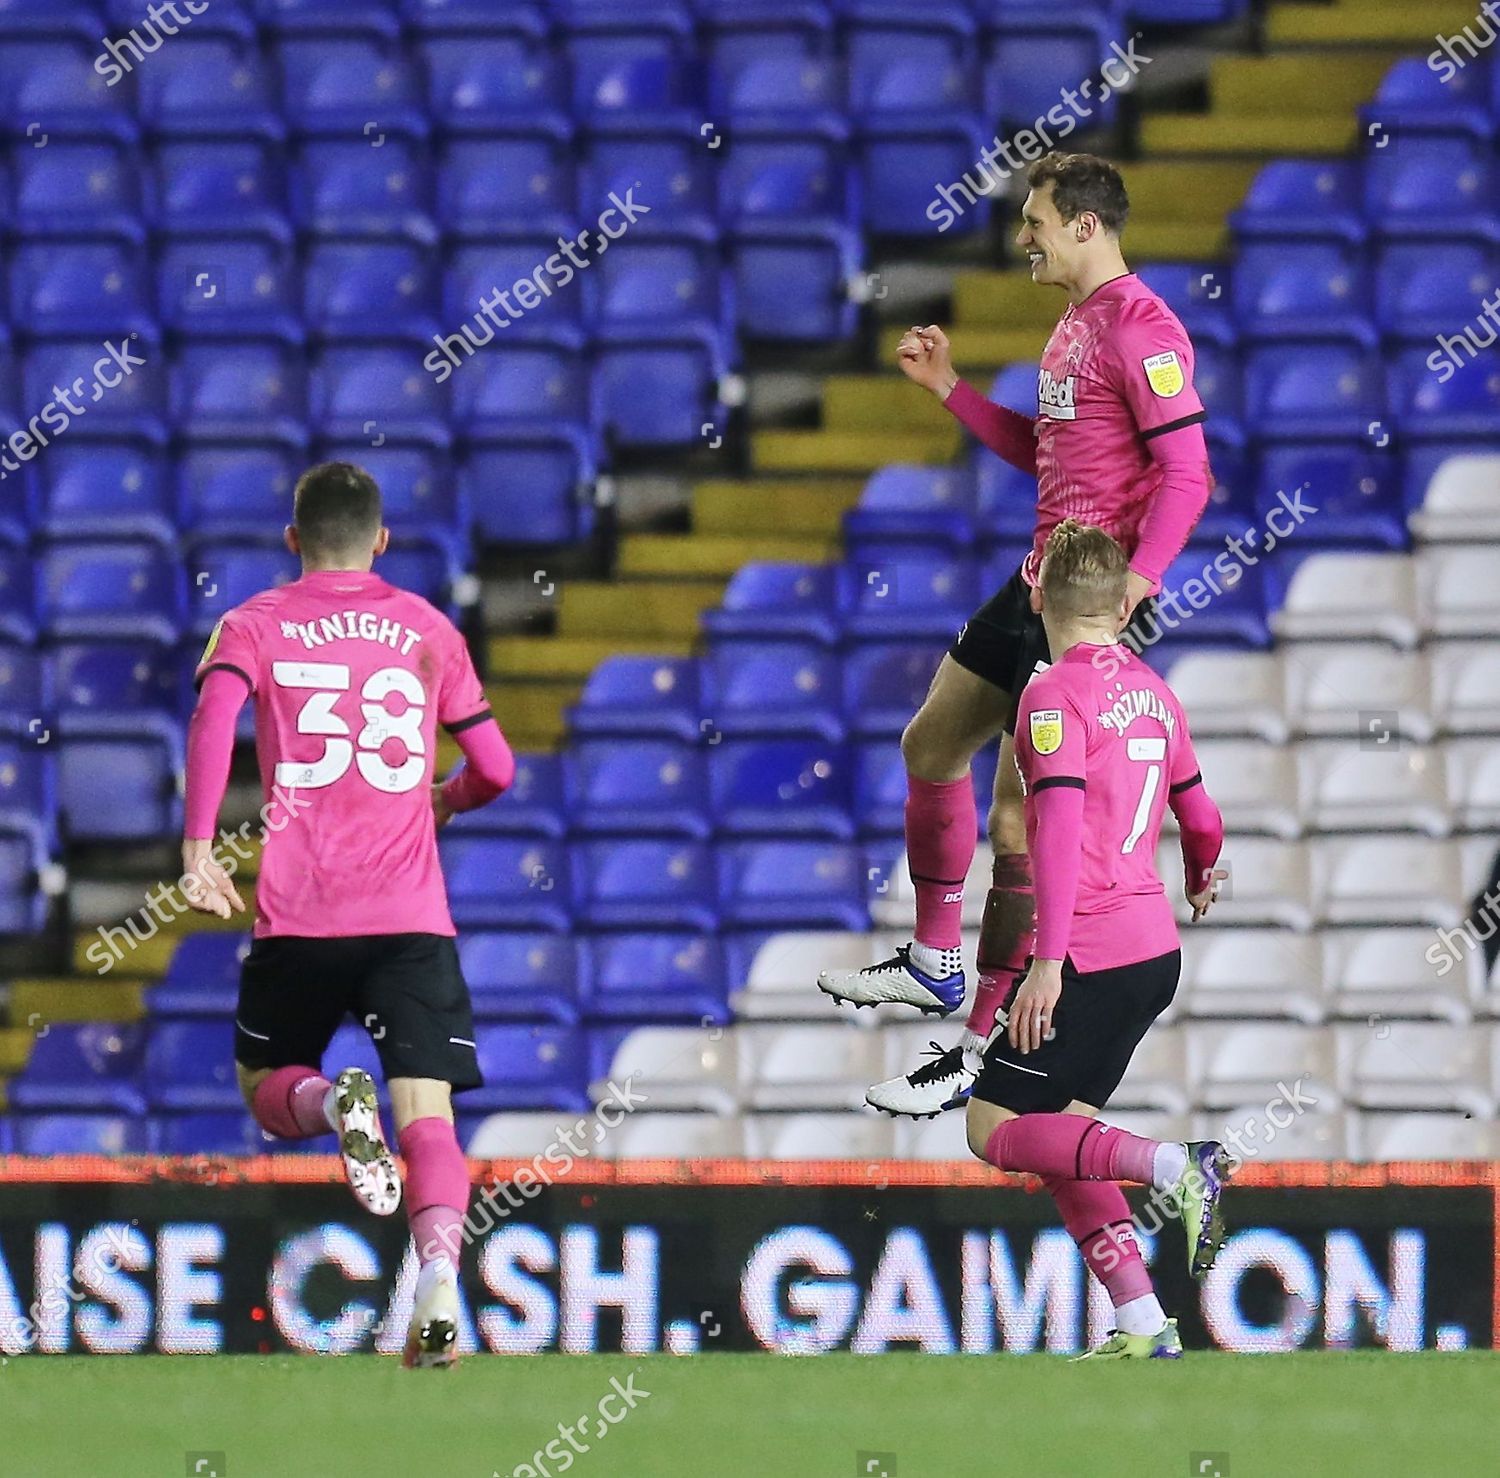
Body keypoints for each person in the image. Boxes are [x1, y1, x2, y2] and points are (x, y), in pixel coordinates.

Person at [818, 151, 1214, 1117]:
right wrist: (951, 389)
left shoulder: (1145, 330)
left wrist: (1140, 583)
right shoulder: (1076, 326)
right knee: (930, 742)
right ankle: (937, 959)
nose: (1022, 237)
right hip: (1035, 577)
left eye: (1035, 220)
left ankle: (980, 1037)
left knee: (1014, 821)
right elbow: (1046, 451)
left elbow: (1188, 475)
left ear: (1084, 223)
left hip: (1085, 599)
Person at [181, 461, 515, 1368]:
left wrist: (199, 845)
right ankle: (440, 1277)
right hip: (408, 916)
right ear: (382, 539)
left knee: (264, 1083)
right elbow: (498, 769)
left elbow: (215, 716)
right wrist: (442, 800)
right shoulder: (427, 629)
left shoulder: (253, 623)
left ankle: (333, 1105)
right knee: (431, 1118)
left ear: (293, 541)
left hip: (301, 914)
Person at [963, 519, 1228, 1358]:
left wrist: (1044, 964)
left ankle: (1174, 1165)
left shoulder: (1050, 696)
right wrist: (1196, 876)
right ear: (1122, 606)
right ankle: (1144, 1321)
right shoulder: (1158, 692)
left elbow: (1058, 829)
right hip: (1153, 952)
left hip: (1088, 949)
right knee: (1065, 1138)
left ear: (1037, 596)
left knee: (992, 1128)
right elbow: (1204, 819)